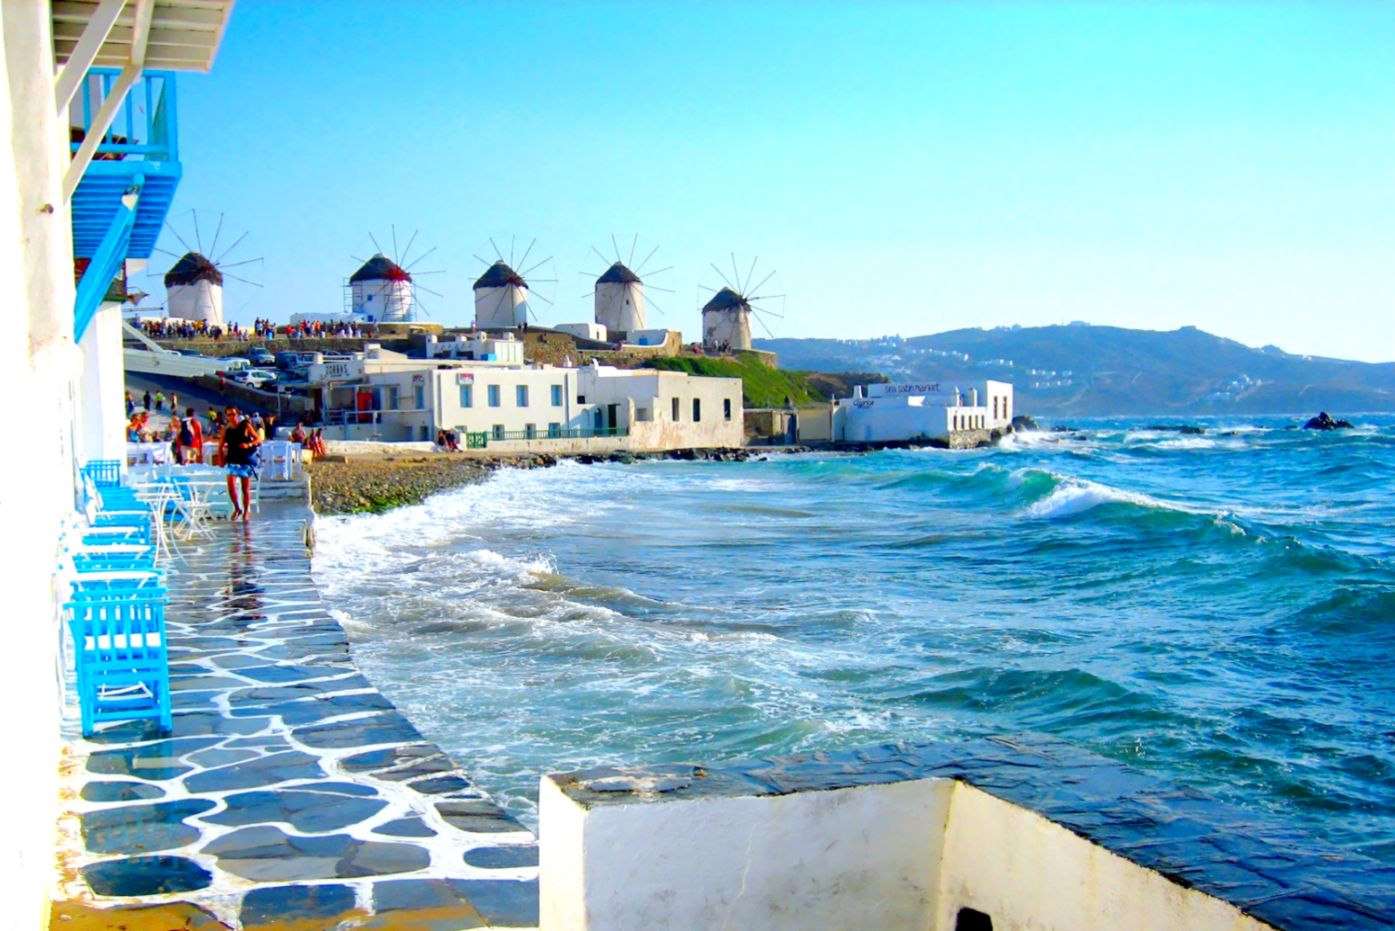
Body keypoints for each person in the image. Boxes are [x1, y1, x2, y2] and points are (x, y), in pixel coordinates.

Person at [218, 406, 260, 521]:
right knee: (231, 486)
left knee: (245, 489)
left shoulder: (245, 426)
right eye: (229, 415)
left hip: (244, 460)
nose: (231, 417)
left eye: (233, 414)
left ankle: (246, 511)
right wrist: (221, 459)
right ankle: (237, 508)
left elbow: (258, 439)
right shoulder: (226, 430)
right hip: (232, 460)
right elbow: (220, 446)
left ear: (237, 414)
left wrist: (249, 445)